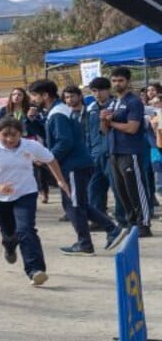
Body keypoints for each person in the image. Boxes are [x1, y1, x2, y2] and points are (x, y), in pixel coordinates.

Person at [28, 79, 124, 255]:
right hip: (77, 164)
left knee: (73, 205)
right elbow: (57, 136)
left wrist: (48, 158)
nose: (33, 99)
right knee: (77, 203)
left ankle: (90, 241)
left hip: (73, 165)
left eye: (34, 95)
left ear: (45, 95)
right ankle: (107, 231)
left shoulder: (57, 113)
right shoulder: (58, 111)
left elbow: (65, 141)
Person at [0, 118, 70, 287]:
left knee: (26, 229)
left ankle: (35, 270)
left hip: (25, 193)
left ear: (20, 134)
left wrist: (60, 180)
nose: (9, 139)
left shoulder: (30, 145)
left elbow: (50, 159)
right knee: (9, 233)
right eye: (5, 135)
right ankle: (9, 246)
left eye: (13, 135)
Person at [102, 67, 153, 237]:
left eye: (121, 80)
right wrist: (103, 119)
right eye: (114, 81)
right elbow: (104, 130)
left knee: (135, 189)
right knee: (121, 190)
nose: (117, 84)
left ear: (128, 82)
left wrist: (111, 122)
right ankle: (132, 222)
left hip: (130, 151)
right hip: (114, 152)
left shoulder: (133, 102)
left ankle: (144, 223)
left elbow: (132, 128)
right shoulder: (112, 102)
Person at [85, 78, 117, 217]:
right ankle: (98, 218)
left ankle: (124, 218)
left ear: (108, 90)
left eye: (101, 90)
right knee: (94, 187)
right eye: (94, 91)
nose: (97, 94)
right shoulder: (91, 108)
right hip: (95, 154)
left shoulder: (116, 105)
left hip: (113, 153)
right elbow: (88, 132)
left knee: (117, 188)